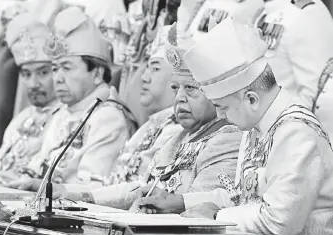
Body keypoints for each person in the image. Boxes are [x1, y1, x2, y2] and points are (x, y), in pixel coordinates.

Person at [133, 18, 333, 235]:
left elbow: (280, 221)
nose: (220, 116)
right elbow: (242, 198)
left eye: (223, 107)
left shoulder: (295, 132)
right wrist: (179, 202)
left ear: (251, 99)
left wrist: (217, 215)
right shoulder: (256, 127)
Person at [15, 23, 242, 211]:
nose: (179, 98)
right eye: (175, 88)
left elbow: (198, 215)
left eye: (190, 88)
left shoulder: (227, 137)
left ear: (216, 93)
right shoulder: (179, 139)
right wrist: (75, 193)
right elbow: (141, 187)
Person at [8, 7, 136, 187]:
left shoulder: (107, 118)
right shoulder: (62, 113)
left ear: (97, 74)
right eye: (54, 69)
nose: (57, 78)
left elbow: (91, 188)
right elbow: (35, 168)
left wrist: (41, 186)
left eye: (67, 68)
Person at [0, 11, 62, 185]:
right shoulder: (23, 117)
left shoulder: (64, 119)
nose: (33, 83)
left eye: (43, 72)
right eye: (26, 74)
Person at [103, 26, 183, 186]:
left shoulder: (179, 129)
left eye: (155, 68)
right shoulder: (151, 125)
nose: (144, 78)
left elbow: (141, 188)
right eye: (147, 68)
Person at [256, 0, 333, 110]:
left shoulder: (307, 13)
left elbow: (316, 95)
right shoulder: (266, 10)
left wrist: (288, 125)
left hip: (291, 122)